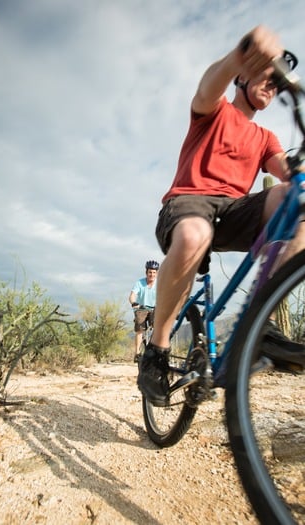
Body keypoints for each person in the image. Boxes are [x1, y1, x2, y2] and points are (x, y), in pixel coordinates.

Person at [137, 25, 305, 406]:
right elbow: (207, 87)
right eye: (266, 75)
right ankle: (156, 353)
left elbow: (283, 168)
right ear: (244, 76)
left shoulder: (265, 137)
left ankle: (258, 324)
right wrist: (241, 54)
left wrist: (296, 173)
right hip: (188, 202)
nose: (272, 85)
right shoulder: (215, 111)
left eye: (278, 84)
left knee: (295, 196)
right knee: (194, 235)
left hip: (232, 212)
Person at [129, 260, 159, 362]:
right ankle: (137, 353)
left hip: (155, 308)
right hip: (141, 308)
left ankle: (156, 350)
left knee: (158, 326)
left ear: (157, 273)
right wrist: (133, 302)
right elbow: (132, 295)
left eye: (154, 272)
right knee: (139, 327)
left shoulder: (159, 284)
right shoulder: (140, 283)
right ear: (146, 272)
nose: (152, 274)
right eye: (150, 272)